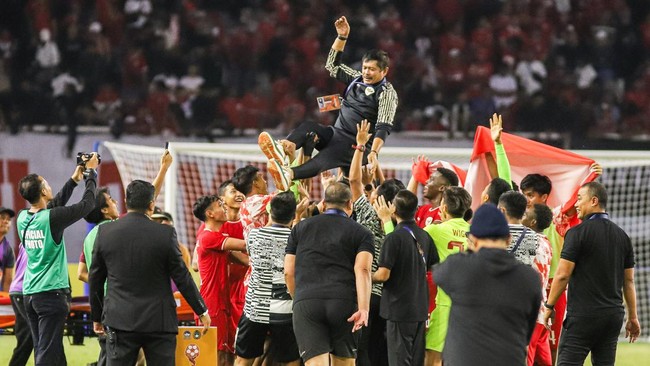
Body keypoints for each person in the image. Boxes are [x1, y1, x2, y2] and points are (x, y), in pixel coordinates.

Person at [259, 16, 398, 190]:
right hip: (336, 133)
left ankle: (289, 175)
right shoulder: (357, 79)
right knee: (309, 126)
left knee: (328, 156)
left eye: (372, 69)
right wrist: (341, 37)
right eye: (365, 68)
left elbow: (383, 127)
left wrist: (374, 152)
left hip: (356, 145)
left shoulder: (387, 94)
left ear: (384, 71)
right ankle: (285, 147)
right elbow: (332, 66)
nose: (367, 73)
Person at [89, 180, 210, 366]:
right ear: (151, 204)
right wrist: (201, 309)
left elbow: (95, 279)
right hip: (159, 321)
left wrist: (97, 317)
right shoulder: (166, 234)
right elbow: (182, 277)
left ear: (126, 200)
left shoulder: (105, 233)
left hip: (120, 320)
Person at [543, 182, 640, 365]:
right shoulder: (623, 236)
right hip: (612, 316)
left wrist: (549, 307)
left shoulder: (577, 233)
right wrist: (632, 317)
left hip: (583, 317)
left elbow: (563, 275)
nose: (576, 204)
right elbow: (629, 281)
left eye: (579, 199)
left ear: (594, 201)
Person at [17, 153, 99, 366]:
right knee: (47, 353)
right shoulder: (51, 218)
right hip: (51, 295)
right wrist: (91, 173)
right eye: (45, 183)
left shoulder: (23, 218)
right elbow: (88, 204)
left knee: (46, 349)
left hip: (31, 295)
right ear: (44, 191)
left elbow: (52, 207)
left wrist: (74, 180)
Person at [435, 204, 542, 365]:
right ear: (508, 239)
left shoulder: (458, 268)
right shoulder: (530, 279)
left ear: (473, 240)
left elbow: (438, 275)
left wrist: (471, 252)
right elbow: (527, 331)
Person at [285, 182, 374, 365]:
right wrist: (364, 308)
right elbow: (363, 269)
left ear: (324, 203)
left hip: (307, 301)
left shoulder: (300, 228)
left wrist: (298, 299)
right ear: (350, 204)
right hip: (344, 304)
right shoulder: (362, 233)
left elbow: (288, 271)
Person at [372, 190, 438, 366]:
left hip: (399, 309)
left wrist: (363, 275)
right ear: (416, 210)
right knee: (416, 361)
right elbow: (433, 267)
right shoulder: (425, 236)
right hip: (420, 308)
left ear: (393, 210)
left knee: (399, 360)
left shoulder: (393, 238)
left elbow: (383, 274)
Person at [234, 191, 301, 366]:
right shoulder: (296, 239)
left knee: (243, 359)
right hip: (285, 309)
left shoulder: (254, 236)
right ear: (293, 215)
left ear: (270, 212)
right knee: (291, 360)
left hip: (255, 307)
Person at [193, 193, 247, 366]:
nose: (224, 208)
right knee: (214, 358)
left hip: (223, 303)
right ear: (210, 214)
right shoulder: (210, 237)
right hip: (212, 305)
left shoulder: (217, 240)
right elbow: (245, 245)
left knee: (227, 355)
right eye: (219, 205)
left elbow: (245, 259)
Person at [423, 186, 472, 366]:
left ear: (443, 208)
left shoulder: (434, 230)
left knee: (433, 357)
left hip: (442, 301)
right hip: (468, 304)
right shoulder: (475, 232)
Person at [522, 203, 554, 366]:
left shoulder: (529, 241)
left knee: (526, 358)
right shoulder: (547, 243)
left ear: (533, 222)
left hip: (530, 311)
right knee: (544, 361)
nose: (522, 217)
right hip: (541, 311)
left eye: (526, 215)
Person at [8, 245, 34, 366]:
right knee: (34, 334)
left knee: (26, 337)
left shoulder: (27, 235)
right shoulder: (45, 236)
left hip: (17, 290)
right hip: (24, 290)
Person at [0, 207, 16, 291]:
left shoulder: (8, 250)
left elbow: (8, 282)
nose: (6, 221)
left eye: (9, 219)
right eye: (2, 218)